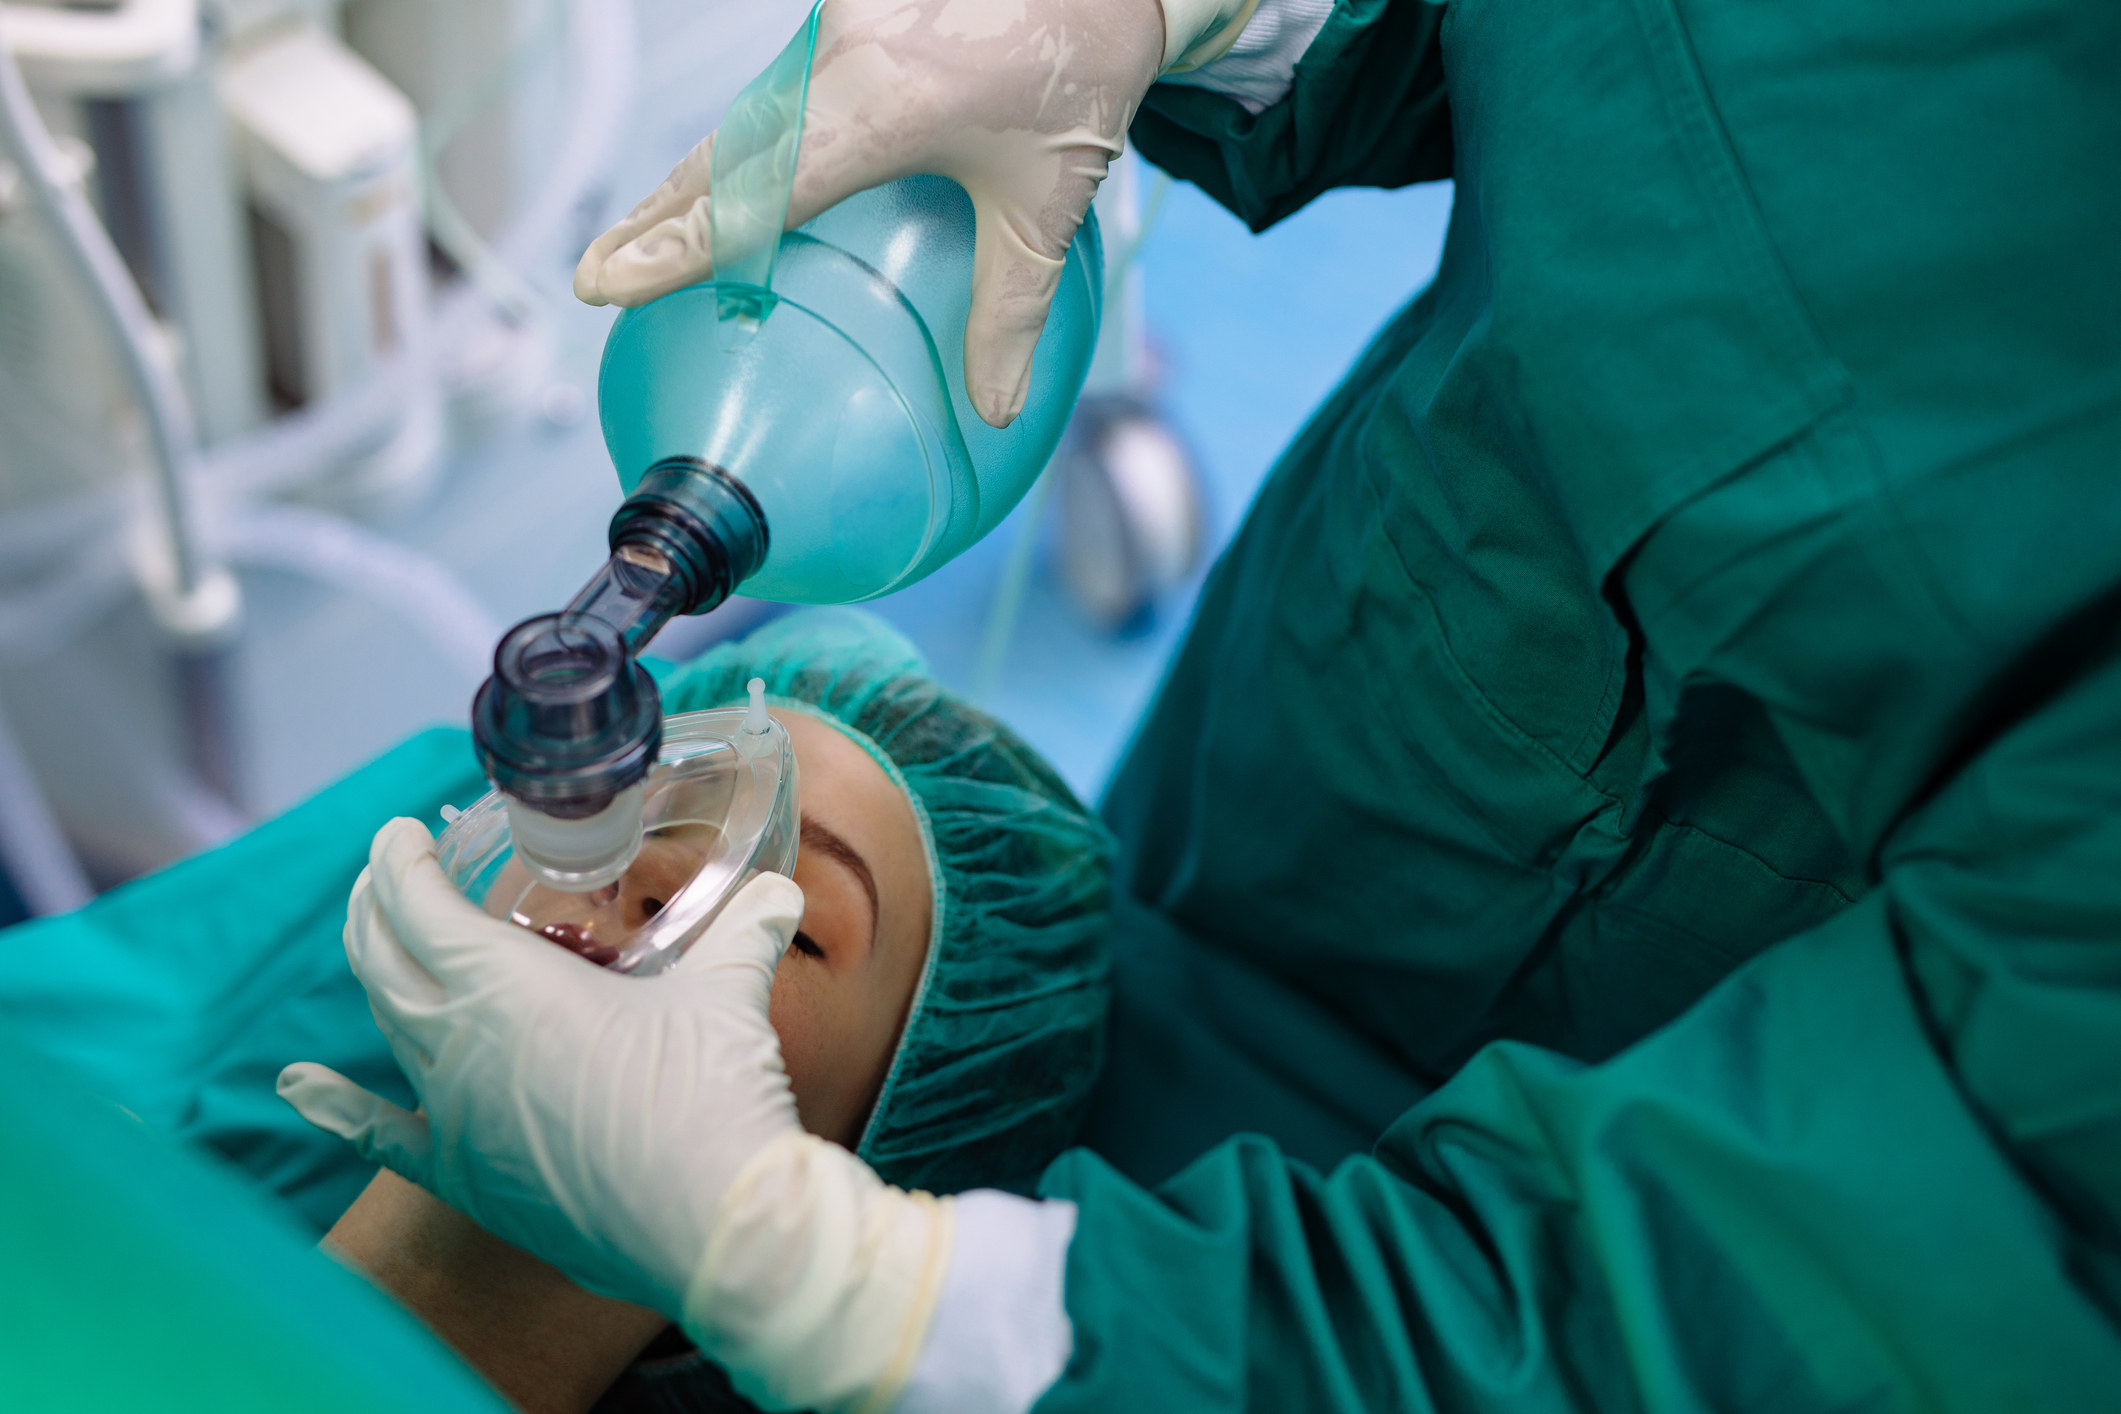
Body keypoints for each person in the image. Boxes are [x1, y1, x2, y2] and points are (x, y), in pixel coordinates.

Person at [288, 0, 2121, 1410]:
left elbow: (1835, 1282)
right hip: (1360, 703)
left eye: (762, 917)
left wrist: (814, 1273)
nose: (596, 895)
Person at [308, 609, 1113, 1414]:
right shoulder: (188, 1236)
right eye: (622, 805)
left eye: (792, 927)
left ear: (866, 1165)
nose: (643, 861)